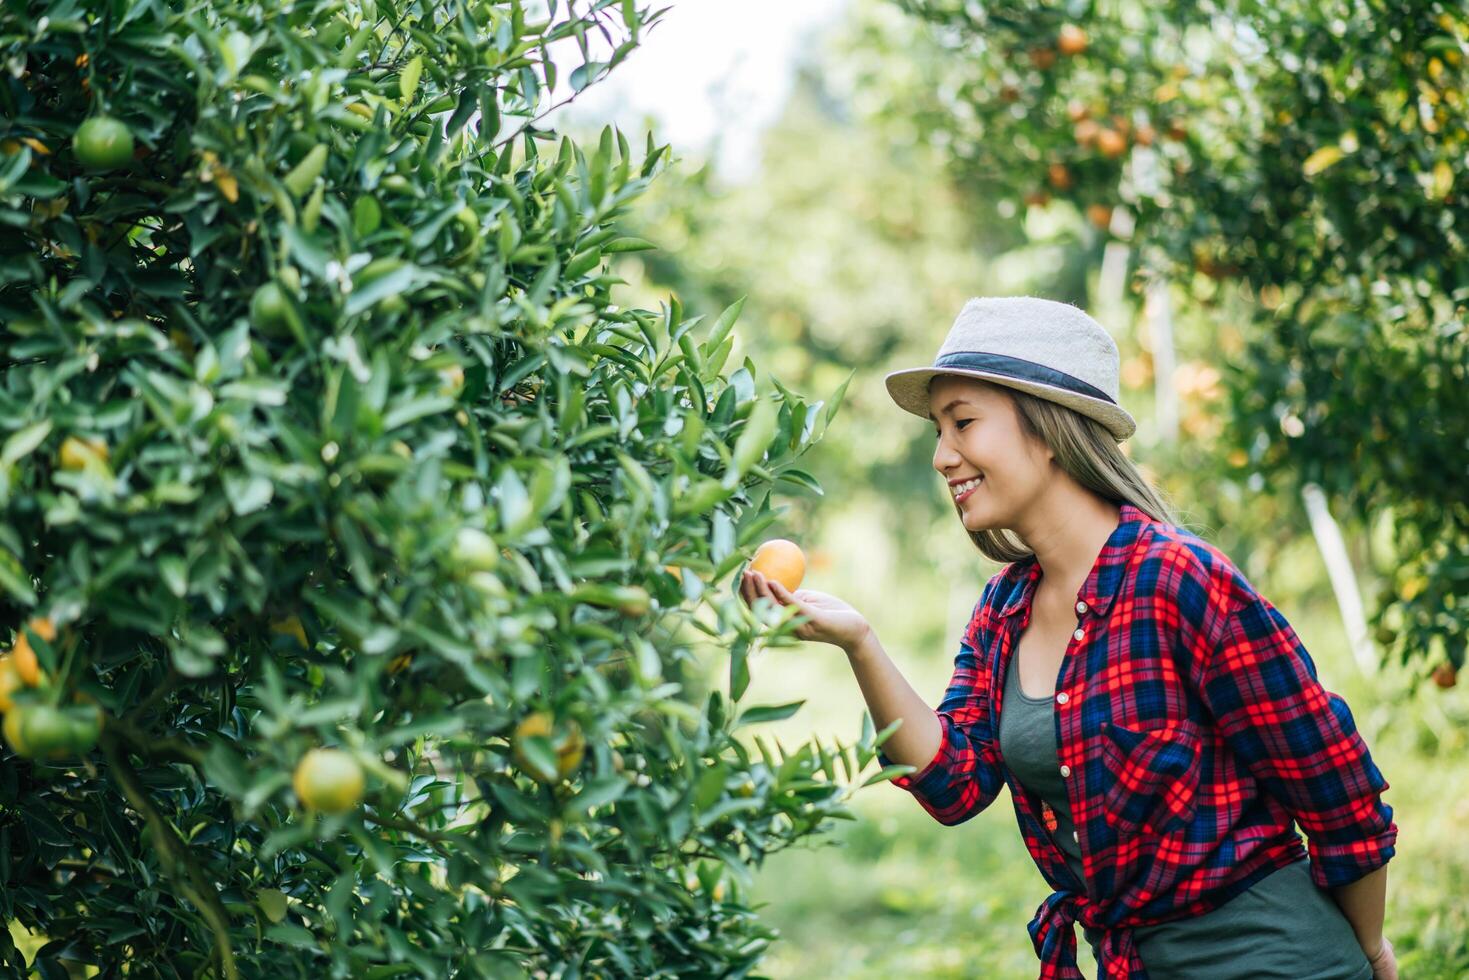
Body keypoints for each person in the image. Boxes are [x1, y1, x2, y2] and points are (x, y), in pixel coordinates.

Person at [738, 296, 1398, 979]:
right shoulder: (1004, 609)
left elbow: (1333, 786)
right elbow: (952, 784)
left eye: (962, 422)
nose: (941, 457)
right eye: (938, 430)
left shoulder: (1177, 580)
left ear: (1049, 429)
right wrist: (859, 643)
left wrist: (1369, 946)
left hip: (1273, 960)